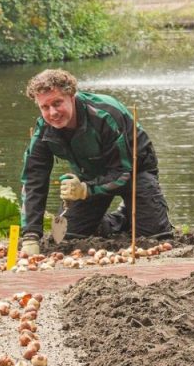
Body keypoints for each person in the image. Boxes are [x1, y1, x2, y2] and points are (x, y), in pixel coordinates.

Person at [18, 69, 174, 256]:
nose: (52, 113)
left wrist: (85, 190)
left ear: (72, 96)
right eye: (45, 107)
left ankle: (137, 211)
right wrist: (30, 235)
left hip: (135, 173)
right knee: (67, 238)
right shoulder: (44, 129)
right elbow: (33, 180)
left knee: (155, 240)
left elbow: (122, 172)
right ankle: (120, 220)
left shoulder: (105, 114)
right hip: (89, 177)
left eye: (57, 103)